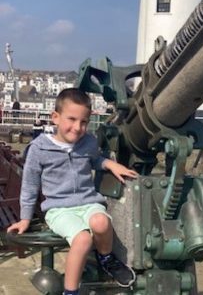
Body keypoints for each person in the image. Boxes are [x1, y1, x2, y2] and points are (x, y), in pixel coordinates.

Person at [7, 88, 138, 295]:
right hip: (59, 209)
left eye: (84, 122)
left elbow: (95, 159)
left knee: (101, 223)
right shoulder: (39, 149)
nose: (77, 128)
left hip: (88, 202)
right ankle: (71, 291)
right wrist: (25, 218)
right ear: (55, 118)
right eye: (71, 119)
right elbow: (30, 185)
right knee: (83, 239)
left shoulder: (88, 143)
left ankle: (106, 258)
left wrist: (110, 165)